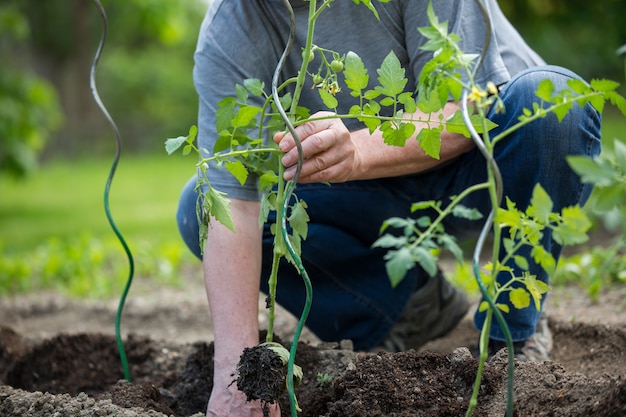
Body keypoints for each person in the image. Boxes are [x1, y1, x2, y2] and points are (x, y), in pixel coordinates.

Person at [176, 1, 602, 416]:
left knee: (555, 103)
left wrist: (358, 151)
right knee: (199, 206)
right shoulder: (230, 28)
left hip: (490, 159)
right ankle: (412, 309)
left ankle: (514, 332)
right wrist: (238, 379)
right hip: (362, 189)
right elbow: (232, 200)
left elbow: (467, 105)